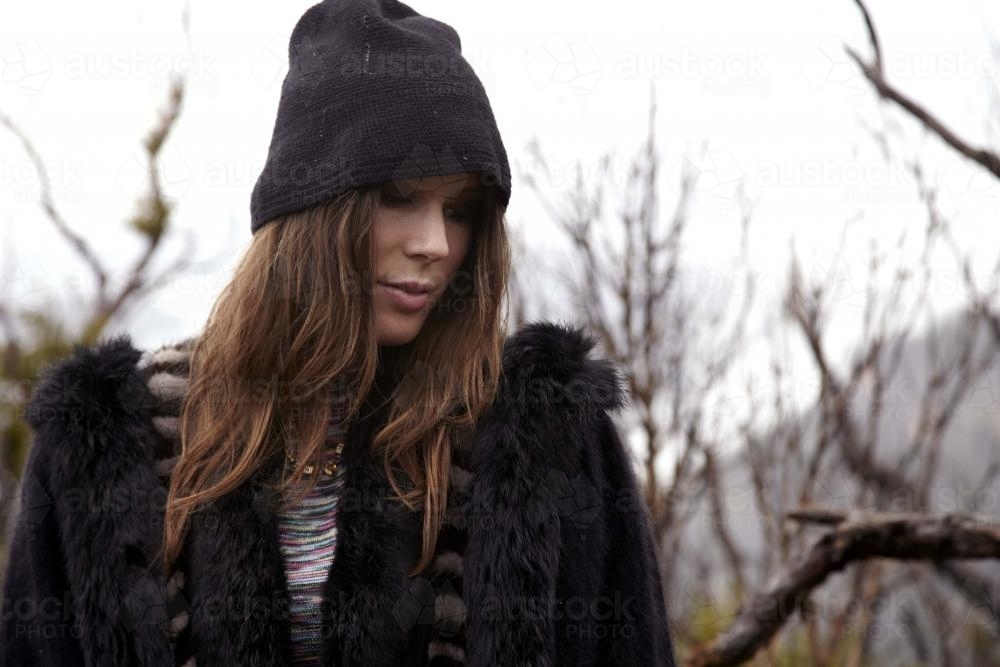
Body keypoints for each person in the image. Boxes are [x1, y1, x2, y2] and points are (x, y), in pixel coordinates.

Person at [0, 0, 677, 665]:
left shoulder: (542, 435)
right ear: (312, 209)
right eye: (399, 197)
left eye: (460, 209)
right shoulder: (109, 439)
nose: (437, 243)